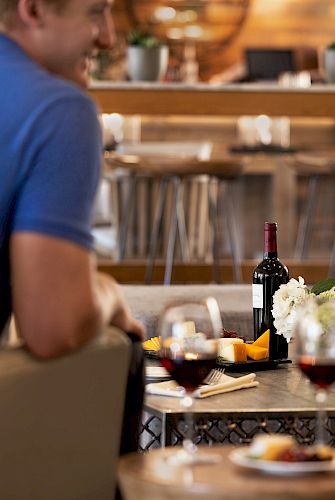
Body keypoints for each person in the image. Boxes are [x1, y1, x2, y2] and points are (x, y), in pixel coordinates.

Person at [0, 0, 145, 451]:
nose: (108, 38)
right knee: (128, 351)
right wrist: (109, 296)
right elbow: (54, 328)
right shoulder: (59, 110)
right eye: (96, 12)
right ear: (34, 9)